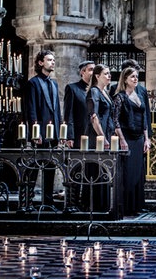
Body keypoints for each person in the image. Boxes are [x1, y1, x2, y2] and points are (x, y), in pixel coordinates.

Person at [23, 49, 62, 212]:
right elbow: (30, 109)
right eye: (49, 60)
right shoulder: (33, 83)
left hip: (52, 132)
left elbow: (57, 110)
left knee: (50, 167)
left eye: (53, 60)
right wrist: (35, 131)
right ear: (40, 63)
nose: (52, 62)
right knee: (33, 167)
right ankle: (28, 201)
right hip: (39, 132)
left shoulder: (54, 83)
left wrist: (60, 133)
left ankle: (48, 201)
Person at [112, 67, 151, 216]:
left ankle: (137, 205)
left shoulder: (139, 94)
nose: (135, 79)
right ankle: (126, 206)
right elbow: (116, 120)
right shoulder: (119, 97)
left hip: (139, 138)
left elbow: (145, 119)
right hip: (127, 137)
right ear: (125, 79)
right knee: (128, 172)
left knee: (138, 173)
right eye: (132, 77)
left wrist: (147, 139)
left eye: (136, 76)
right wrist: (122, 140)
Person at [63, 60, 95, 213]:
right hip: (78, 135)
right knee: (76, 170)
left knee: (90, 171)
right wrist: (69, 136)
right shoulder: (73, 89)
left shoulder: (96, 90)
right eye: (90, 70)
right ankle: (72, 203)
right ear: (82, 72)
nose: (93, 72)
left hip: (93, 138)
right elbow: (68, 115)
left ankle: (87, 202)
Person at [84, 64, 114, 212]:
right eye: (106, 74)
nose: (109, 76)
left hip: (105, 134)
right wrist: (103, 137)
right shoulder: (94, 92)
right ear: (97, 76)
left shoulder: (105, 92)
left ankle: (104, 204)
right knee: (96, 170)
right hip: (96, 136)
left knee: (104, 170)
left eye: (109, 74)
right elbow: (94, 118)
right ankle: (94, 206)